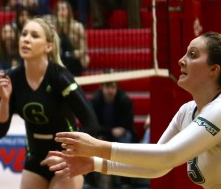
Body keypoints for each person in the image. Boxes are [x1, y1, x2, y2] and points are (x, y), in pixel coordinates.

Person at [45, 33, 221, 186]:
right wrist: (93, 163)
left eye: (192, 55)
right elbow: (156, 166)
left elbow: (169, 155)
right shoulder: (186, 111)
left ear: (214, 69)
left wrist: (98, 147)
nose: (181, 60)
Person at [0, 17, 100, 189]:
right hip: (36, 158)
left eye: (34, 36)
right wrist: (4, 101)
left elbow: (92, 123)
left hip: (67, 157)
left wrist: (70, 156)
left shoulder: (59, 77)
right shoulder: (13, 77)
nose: (26, 39)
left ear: (48, 46)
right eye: (24, 34)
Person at [54, 1, 88, 76]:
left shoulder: (78, 26)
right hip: (59, 59)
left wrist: (73, 54)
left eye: (63, 9)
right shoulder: (54, 27)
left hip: (74, 59)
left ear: (69, 11)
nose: (61, 12)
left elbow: (83, 49)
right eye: (59, 9)